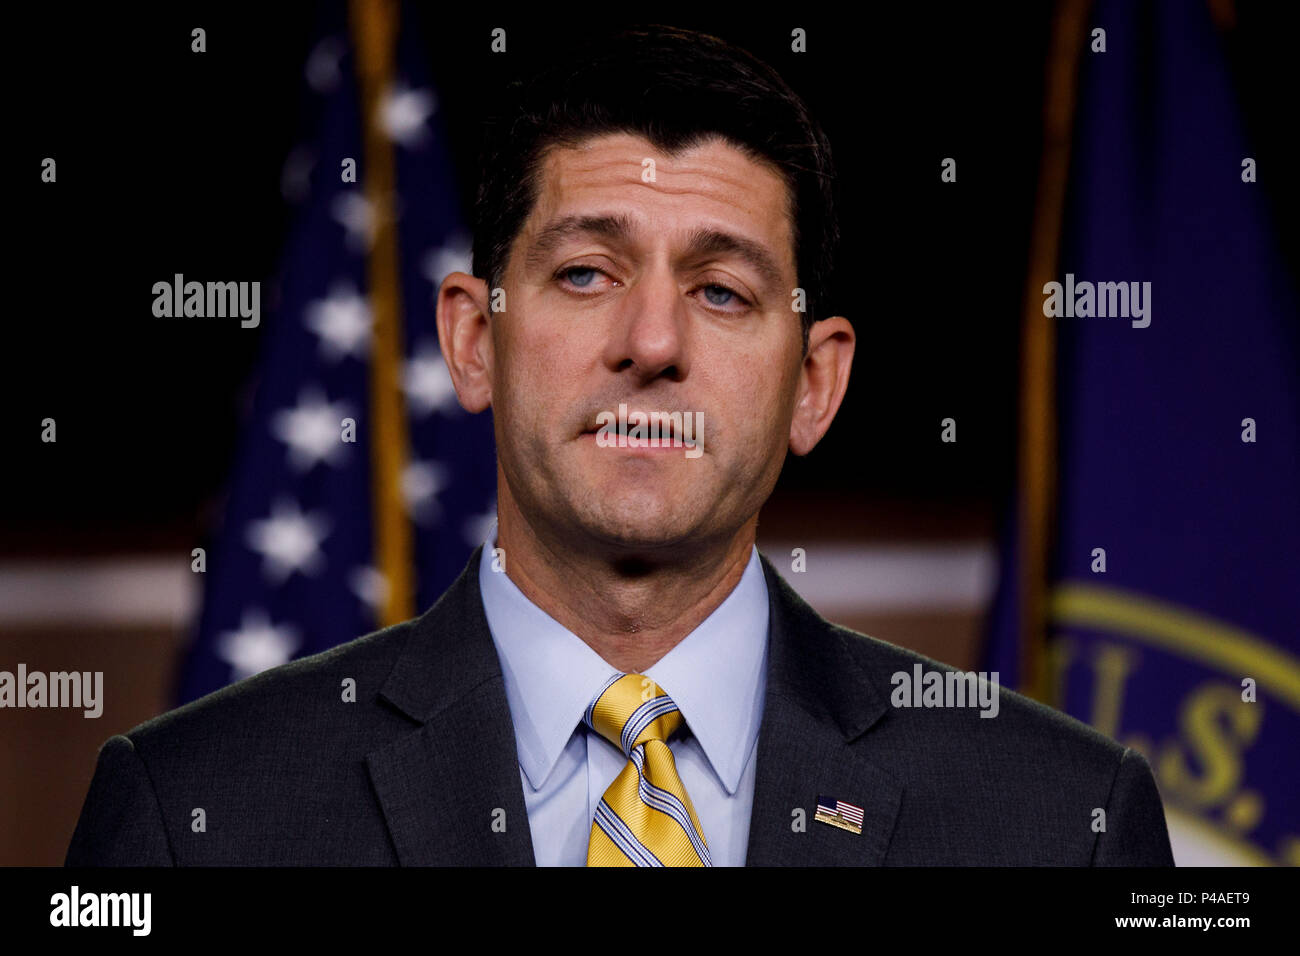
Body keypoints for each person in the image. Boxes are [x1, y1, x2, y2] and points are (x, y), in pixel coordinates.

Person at [66, 24, 1174, 867]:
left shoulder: (1059, 821)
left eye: (723, 290)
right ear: (470, 338)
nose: (651, 342)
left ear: (816, 382)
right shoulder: (194, 811)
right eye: (587, 273)